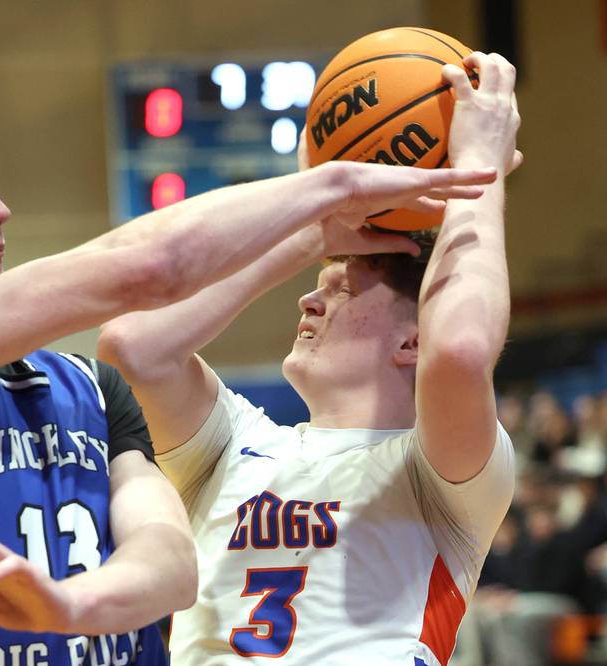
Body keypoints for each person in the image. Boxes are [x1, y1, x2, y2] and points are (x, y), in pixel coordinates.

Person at [0, 86, 494, 666]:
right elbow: (148, 270)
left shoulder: (87, 386)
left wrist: (72, 605)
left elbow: (172, 564)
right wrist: (332, 188)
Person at [98, 52, 520, 665]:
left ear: (412, 341)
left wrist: (478, 167)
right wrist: (314, 230)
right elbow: (132, 349)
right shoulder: (234, 446)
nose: (310, 297)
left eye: (344, 287)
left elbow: (459, 348)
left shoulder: (438, 475)